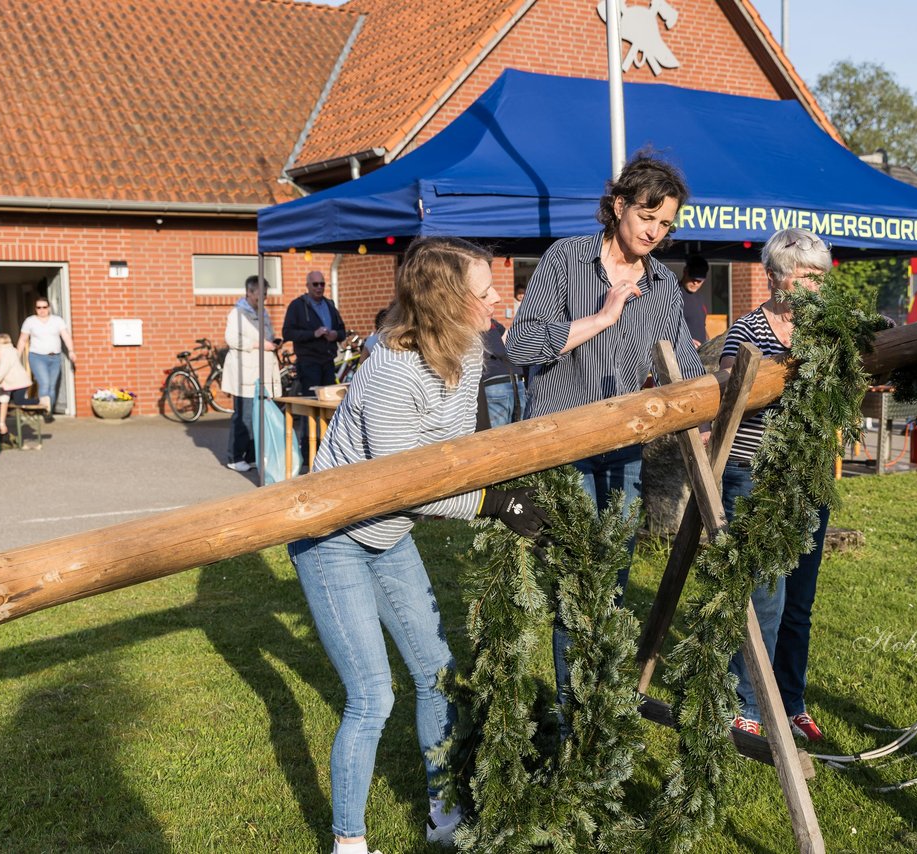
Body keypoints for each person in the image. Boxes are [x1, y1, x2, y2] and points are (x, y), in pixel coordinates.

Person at [286, 237, 549, 853]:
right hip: (334, 540)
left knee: (437, 675)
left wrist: (507, 485)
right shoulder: (389, 372)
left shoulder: (469, 354)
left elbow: (450, 463)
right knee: (373, 695)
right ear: (446, 300)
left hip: (389, 536)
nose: (498, 300)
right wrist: (493, 504)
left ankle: (443, 814)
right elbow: (404, 488)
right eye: (484, 293)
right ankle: (348, 843)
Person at [505, 152, 704, 708]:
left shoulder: (663, 284)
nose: (655, 232)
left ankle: (602, 701)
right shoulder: (567, 260)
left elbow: (678, 367)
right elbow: (519, 345)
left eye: (666, 224)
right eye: (648, 216)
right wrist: (600, 318)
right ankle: (576, 713)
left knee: (613, 575)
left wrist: (710, 407)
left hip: (623, 451)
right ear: (619, 205)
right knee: (577, 578)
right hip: (564, 445)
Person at [719, 228, 831, 742]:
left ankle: (790, 699)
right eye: (806, 277)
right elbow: (732, 385)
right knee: (765, 595)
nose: (815, 287)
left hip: (808, 478)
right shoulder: (748, 330)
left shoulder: (828, 333)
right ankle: (747, 701)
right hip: (754, 476)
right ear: (775, 278)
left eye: (821, 276)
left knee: (799, 600)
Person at [221, 276, 282, 472]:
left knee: (258, 416)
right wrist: (259, 345)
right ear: (249, 292)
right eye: (260, 293)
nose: (263, 297)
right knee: (244, 416)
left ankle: (252, 455)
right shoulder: (237, 313)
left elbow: (268, 335)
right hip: (243, 373)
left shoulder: (262, 312)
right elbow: (232, 339)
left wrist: (273, 343)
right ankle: (235, 456)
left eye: (266, 294)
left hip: (259, 373)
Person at [283, 270, 347, 394]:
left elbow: (342, 331)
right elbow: (287, 333)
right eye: (315, 284)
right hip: (308, 363)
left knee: (329, 400)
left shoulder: (329, 305)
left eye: (322, 284)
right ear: (307, 285)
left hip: (328, 361)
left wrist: (335, 335)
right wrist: (313, 334)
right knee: (311, 401)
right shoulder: (297, 306)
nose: (319, 287)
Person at [17, 298, 75, 418]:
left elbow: (66, 336)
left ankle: (48, 410)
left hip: (55, 357)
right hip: (37, 357)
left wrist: (71, 351)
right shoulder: (30, 321)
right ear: (35, 309)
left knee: (52, 386)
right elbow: (23, 340)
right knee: (45, 383)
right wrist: (16, 357)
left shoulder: (57, 321)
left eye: (44, 307)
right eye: (39, 307)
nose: (42, 310)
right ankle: (44, 410)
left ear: (49, 308)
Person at [477, 318, 526, 429]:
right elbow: (511, 343)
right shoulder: (490, 322)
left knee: (498, 436)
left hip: (499, 381)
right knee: (520, 432)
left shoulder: (484, 322)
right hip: (514, 379)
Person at [0, 333, 35, 441]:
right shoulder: (0, 354)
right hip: (8, 384)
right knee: (4, 400)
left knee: (19, 401)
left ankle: (40, 401)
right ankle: (2, 424)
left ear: (1, 344)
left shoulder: (7, 353)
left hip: (18, 382)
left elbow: (3, 368)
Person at [678, 254, 710, 346]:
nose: (695, 283)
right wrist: (685, 341)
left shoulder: (700, 297)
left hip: (701, 354)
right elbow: (662, 326)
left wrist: (709, 343)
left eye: (699, 280)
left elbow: (701, 326)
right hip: (680, 353)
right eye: (693, 278)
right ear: (685, 272)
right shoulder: (673, 295)